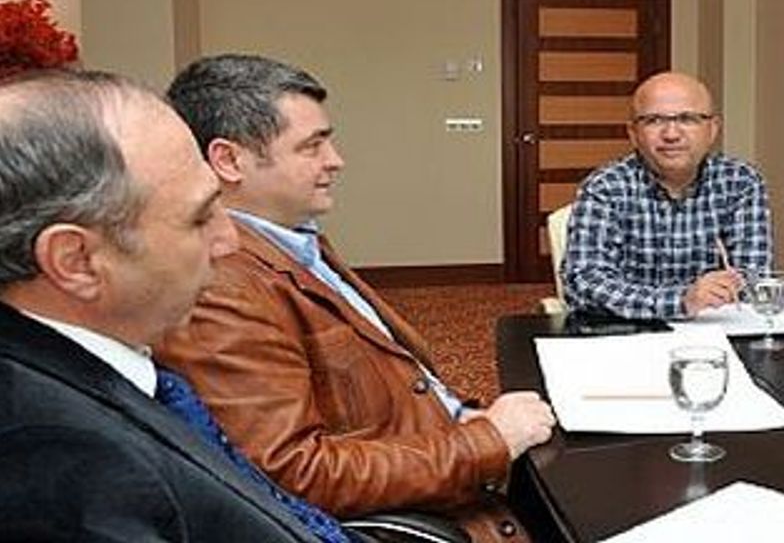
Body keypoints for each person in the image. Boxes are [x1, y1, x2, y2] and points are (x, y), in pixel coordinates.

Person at [154, 54, 554, 542]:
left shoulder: (293, 240)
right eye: (312, 146)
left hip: (447, 453)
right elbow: (293, 474)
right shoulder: (221, 287)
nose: (335, 160)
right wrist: (486, 441)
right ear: (229, 160)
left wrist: (468, 423)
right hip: (440, 514)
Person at [0, 70, 325, 542]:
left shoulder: (98, 362)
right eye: (200, 218)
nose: (229, 240)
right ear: (77, 261)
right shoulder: (51, 462)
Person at [562, 71, 773, 319]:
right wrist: (680, 301)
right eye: (654, 120)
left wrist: (728, 289)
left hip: (715, 326)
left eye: (687, 119)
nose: (671, 134)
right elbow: (584, 284)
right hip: (630, 331)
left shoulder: (741, 182)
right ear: (633, 133)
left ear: (712, 129)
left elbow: (753, 278)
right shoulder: (605, 187)